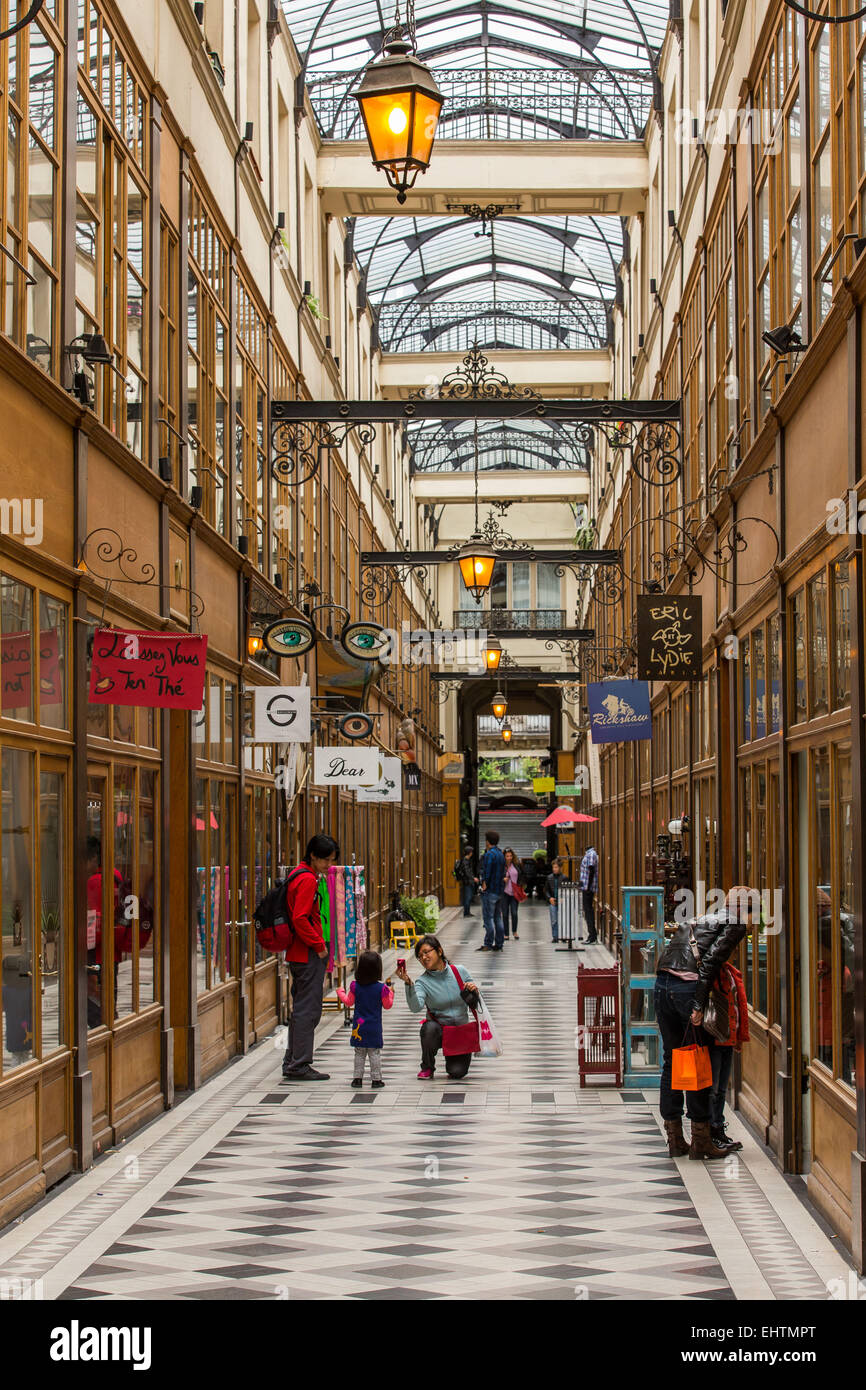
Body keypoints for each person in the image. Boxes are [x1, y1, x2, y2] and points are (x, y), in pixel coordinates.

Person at [654, 886, 752, 1159]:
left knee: (672, 1059)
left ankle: (674, 1139)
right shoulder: (735, 923)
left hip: (662, 985)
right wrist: (698, 1004)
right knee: (699, 1060)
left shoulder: (702, 919)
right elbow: (708, 964)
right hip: (687, 991)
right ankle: (701, 1141)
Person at [281, 833, 340, 1081]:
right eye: (325, 860)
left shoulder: (299, 874)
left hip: (299, 952)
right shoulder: (307, 880)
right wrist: (319, 945)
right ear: (313, 856)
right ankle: (299, 1064)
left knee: (302, 1008)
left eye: (332, 860)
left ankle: (293, 1060)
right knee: (308, 1009)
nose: (329, 866)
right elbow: (300, 918)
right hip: (306, 953)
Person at [397, 934, 480, 1079]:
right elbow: (415, 1007)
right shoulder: (422, 982)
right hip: (439, 1030)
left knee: (457, 1072)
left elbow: (476, 1003)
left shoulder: (460, 972)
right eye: (420, 956)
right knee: (428, 1028)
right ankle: (428, 1066)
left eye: (426, 952)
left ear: (439, 951)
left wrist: (474, 990)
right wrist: (409, 984)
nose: (423, 958)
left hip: (460, 1032)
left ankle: (454, 1059)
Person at [336, 949, 394, 1089]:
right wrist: (391, 993)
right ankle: (376, 1079)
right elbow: (387, 1005)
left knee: (359, 1053)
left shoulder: (356, 986)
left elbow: (349, 1002)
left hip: (359, 1028)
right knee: (374, 1053)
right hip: (374, 1027)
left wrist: (340, 992)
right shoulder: (381, 988)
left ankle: (357, 1079)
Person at [477, 829, 506, 951]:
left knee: (488, 918)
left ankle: (488, 943)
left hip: (490, 891)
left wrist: (484, 884)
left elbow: (487, 872)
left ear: (488, 842)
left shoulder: (489, 854)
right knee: (498, 918)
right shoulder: (500, 853)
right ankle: (499, 943)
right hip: (499, 890)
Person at [502, 848, 525, 940]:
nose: (509, 858)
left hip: (514, 892)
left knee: (514, 913)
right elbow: (496, 877)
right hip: (504, 893)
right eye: (507, 856)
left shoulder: (516, 865)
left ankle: (514, 931)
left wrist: (520, 885)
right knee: (504, 914)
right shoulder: (501, 866)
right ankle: (506, 933)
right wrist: (502, 879)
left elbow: (522, 875)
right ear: (504, 857)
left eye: (510, 856)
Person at [579, 845, 599, 943]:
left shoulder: (591, 854)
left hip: (588, 888)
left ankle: (592, 936)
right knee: (587, 911)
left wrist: (587, 887)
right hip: (587, 887)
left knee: (588, 911)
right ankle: (592, 935)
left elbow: (591, 870)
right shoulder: (590, 854)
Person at [453, 845, 478, 917]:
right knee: (468, 897)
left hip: (468, 881)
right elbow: (467, 872)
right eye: (471, 852)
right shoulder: (465, 861)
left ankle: (467, 912)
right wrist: (473, 878)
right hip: (467, 882)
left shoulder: (467, 860)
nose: (472, 853)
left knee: (469, 897)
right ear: (469, 852)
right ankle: (466, 913)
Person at [545, 856, 564, 943]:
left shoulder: (564, 878)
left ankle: (564, 936)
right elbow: (546, 890)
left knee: (563, 919)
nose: (554, 869)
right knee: (554, 920)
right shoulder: (549, 878)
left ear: (560, 868)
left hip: (562, 901)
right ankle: (555, 937)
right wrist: (549, 898)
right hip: (553, 901)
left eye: (556, 867)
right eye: (553, 867)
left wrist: (563, 899)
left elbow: (567, 890)